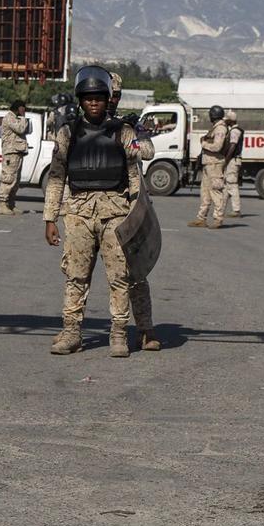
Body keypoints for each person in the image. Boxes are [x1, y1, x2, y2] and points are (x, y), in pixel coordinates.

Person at [45, 65, 142, 356]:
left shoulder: (123, 132)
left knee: (119, 277)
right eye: (88, 98)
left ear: (107, 97)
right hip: (78, 213)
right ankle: (72, 331)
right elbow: (56, 177)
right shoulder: (68, 133)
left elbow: (136, 170)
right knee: (75, 275)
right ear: (81, 100)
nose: (94, 102)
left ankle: (118, 334)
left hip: (116, 212)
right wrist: (50, 217)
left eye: (99, 97)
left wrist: (137, 214)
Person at [111, 72, 162, 351]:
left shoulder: (127, 125)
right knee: (79, 274)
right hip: (91, 205)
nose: (112, 99)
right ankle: (75, 329)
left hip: (127, 205)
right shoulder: (82, 123)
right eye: (110, 93)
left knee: (136, 273)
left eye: (117, 95)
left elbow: (148, 150)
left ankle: (145, 329)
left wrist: (128, 136)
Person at [189, 104, 229, 228]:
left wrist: (204, 144)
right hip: (208, 163)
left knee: (216, 191)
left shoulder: (220, 129)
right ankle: (201, 218)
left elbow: (217, 147)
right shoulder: (215, 127)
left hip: (215, 163)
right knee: (205, 192)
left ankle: (218, 218)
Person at [0, 97, 32, 215]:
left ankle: (11, 204)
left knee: (15, 180)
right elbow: (21, 129)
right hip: (11, 153)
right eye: (23, 108)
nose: (24, 111)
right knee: (8, 178)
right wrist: (23, 117)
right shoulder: (9, 118)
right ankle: (3, 204)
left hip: (17, 152)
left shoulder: (15, 118)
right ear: (19, 108)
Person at [222, 109, 245, 217]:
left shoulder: (235, 131)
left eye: (227, 120)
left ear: (231, 121)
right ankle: (221, 208)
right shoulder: (234, 130)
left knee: (231, 184)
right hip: (233, 160)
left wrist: (226, 160)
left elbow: (232, 146)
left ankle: (236, 210)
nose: (225, 122)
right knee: (227, 184)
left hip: (232, 160)